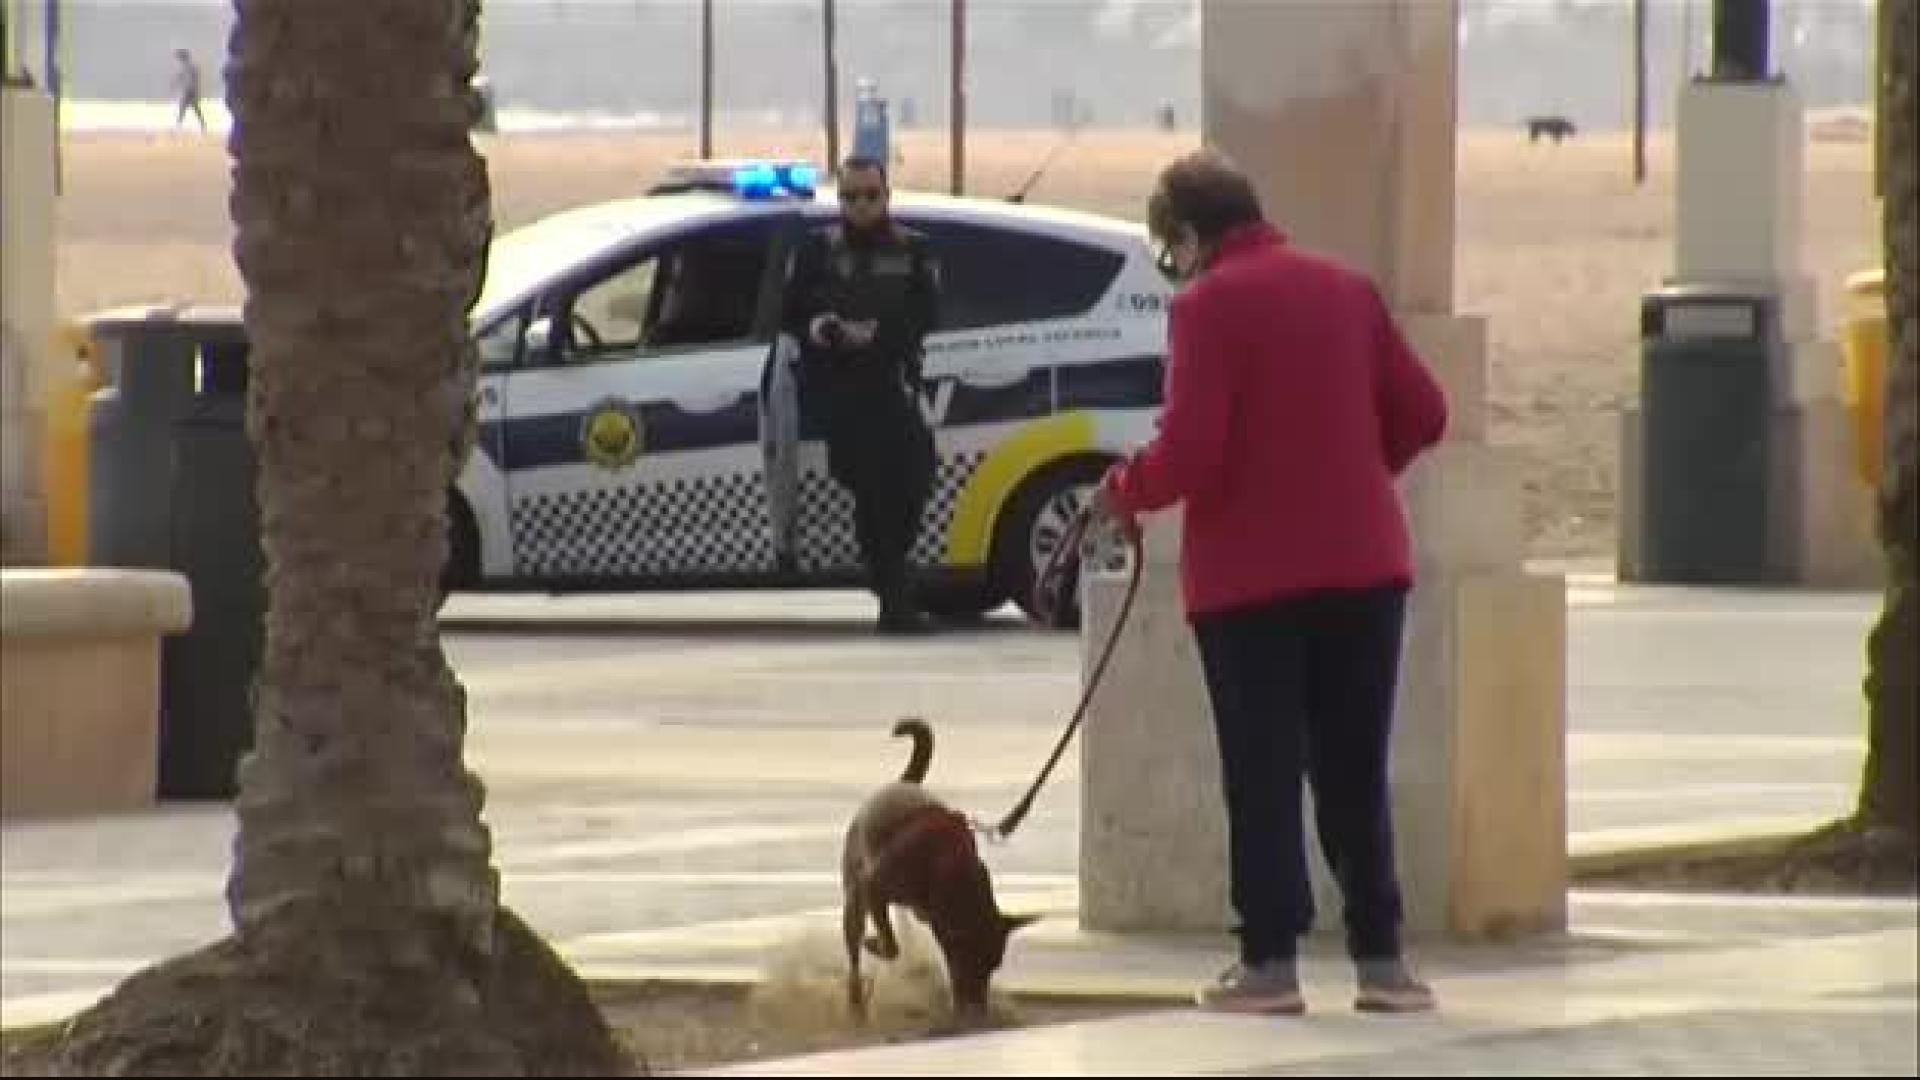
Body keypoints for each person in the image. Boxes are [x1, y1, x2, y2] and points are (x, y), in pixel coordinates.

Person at [1093, 148, 1448, 1016]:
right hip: (1366, 568)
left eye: (1169, 250)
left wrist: (1124, 491)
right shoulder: (1348, 290)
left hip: (1250, 583)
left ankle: (1269, 964)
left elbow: (1192, 451)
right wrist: (1357, 472)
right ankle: (1382, 962)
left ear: (1187, 236)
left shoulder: (1207, 307)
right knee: (1354, 769)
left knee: (1262, 773)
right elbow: (1426, 412)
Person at [781, 156, 941, 634]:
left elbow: (927, 314)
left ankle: (887, 581)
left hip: (895, 383)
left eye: (870, 195)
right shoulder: (818, 249)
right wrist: (823, 328)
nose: (861, 205)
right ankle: (895, 602)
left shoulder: (915, 249)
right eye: (850, 197)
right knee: (874, 494)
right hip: (843, 391)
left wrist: (877, 335)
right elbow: (789, 313)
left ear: (887, 196)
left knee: (915, 482)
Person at [172, 49, 206, 132]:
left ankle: (178, 125)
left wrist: (176, 85)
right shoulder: (191, 66)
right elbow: (182, 78)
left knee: (184, 108)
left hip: (189, 91)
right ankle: (202, 124)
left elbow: (182, 78)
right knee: (193, 108)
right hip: (190, 91)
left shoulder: (186, 67)